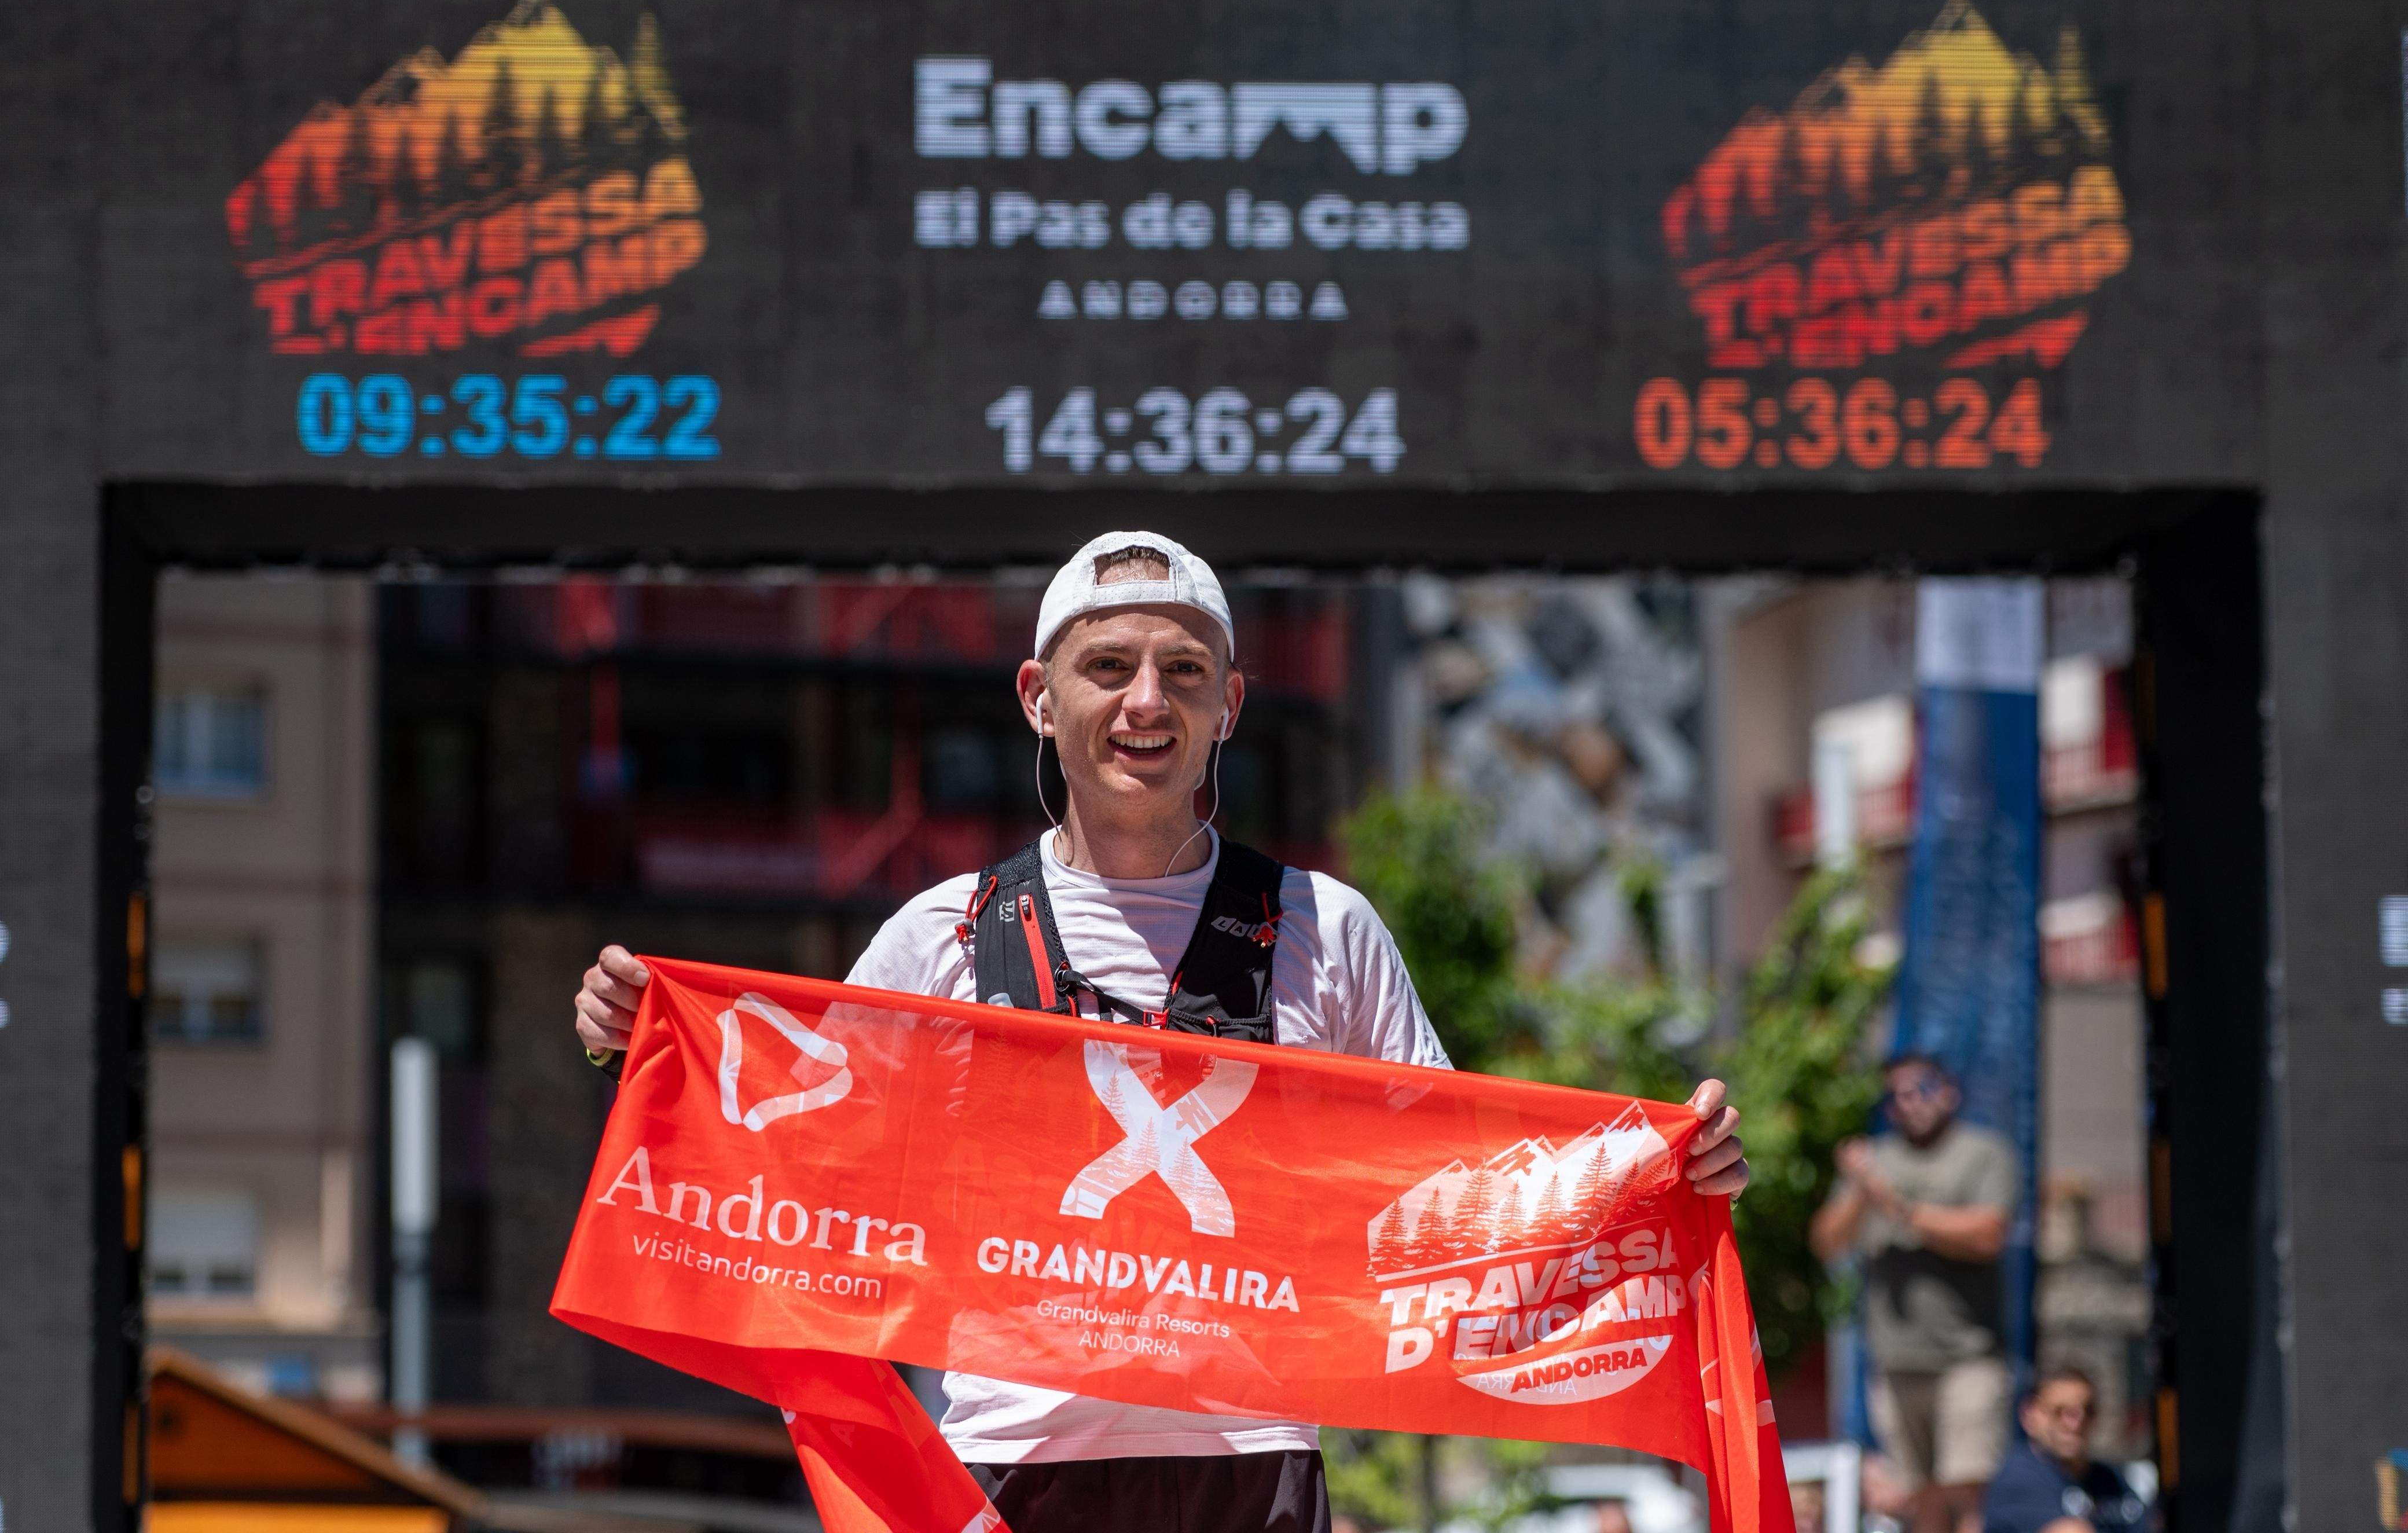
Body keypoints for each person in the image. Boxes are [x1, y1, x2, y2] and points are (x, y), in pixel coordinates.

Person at [573, 531, 1753, 1533]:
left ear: (1227, 705)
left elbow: (1468, 1187)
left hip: (1251, 1467)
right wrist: (643, 1046)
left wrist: (1658, 1173)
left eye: (1184, 670)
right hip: (1004, 1472)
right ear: (1040, 696)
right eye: (1109, 667)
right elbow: (796, 1150)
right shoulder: (943, 934)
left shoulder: (1321, 928)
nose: (1147, 701)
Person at [1810, 1051, 2017, 1533]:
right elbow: (1826, 1242)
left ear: (1948, 1092)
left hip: (1968, 1357)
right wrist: (1862, 1192)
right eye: (1896, 1095)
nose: (1909, 1102)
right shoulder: (1875, 1162)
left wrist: (1898, 1207)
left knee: (1967, 1492)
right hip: (1898, 1361)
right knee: (1917, 1496)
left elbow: (1988, 1234)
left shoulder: (1982, 1153)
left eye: (1920, 1088)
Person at [1981, 1366, 2149, 1533]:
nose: (2075, 1424)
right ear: (2030, 1416)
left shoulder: (2110, 1480)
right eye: (2060, 1412)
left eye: (2087, 1411)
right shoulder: (2019, 1478)